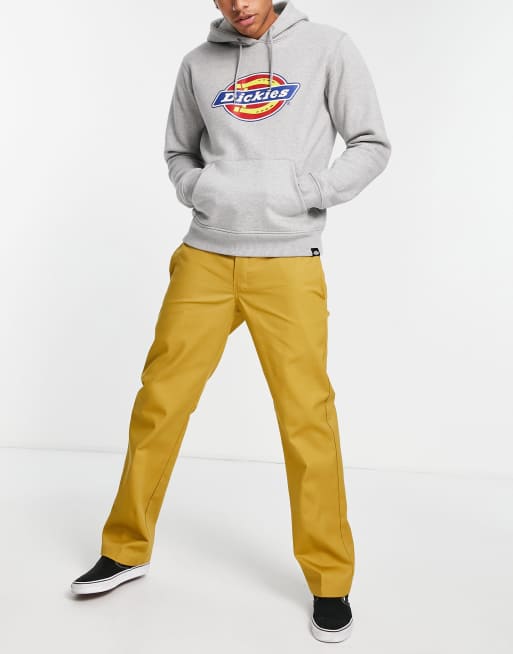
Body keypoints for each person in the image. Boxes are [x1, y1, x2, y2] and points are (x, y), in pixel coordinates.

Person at [70, 0, 391, 643]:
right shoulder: (198, 64)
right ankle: (126, 549)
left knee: (306, 418)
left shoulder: (328, 48)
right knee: (160, 403)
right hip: (205, 259)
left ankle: (330, 581)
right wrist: (202, 189)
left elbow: (371, 144)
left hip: (288, 262)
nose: (239, 4)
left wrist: (309, 192)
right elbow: (178, 152)